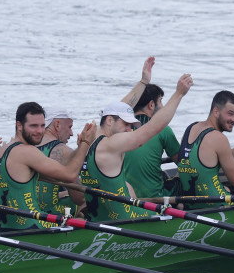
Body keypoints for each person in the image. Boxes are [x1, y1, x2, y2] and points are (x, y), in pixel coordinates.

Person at [80, 70, 192, 221]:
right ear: (109, 121)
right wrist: (179, 94)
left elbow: (118, 109)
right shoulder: (111, 144)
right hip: (125, 220)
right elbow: (153, 127)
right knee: (175, 212)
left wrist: (143, 82)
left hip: (99, 219)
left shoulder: (92, 136)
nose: (129, 129)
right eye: (126, 124)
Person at [0, 102, 96, 230]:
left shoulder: (4, 149)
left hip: (5, 226)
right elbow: (71, 178)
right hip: (33, 226)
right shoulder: (28, 151)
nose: (40, 131)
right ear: (19, 125)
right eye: (34, 126)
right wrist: (86, 142)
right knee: (80, 219)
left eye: (42, 126)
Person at [177, 91, 234, 206]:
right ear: (216, 111)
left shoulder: (191, 128)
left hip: (188, 203)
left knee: (227, 189)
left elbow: (218, 157)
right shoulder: (219, 138)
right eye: (230, 114)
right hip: (214, 205)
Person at [120, 57, 181, 198]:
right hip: (154, 199)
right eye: (161, 101)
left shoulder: (120, 128)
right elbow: (183, 163)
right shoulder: (163, 130)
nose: (163, 107)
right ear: (151, 105)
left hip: (123, 196)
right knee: (184, 172)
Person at [36, 106, 85, 216]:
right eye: (70, 127)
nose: (72, 133)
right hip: (50, 216)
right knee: (88, 202)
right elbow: (80, 198)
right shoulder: (63, 151)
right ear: (57, 125)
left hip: (28, 211)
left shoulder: (25, 146)